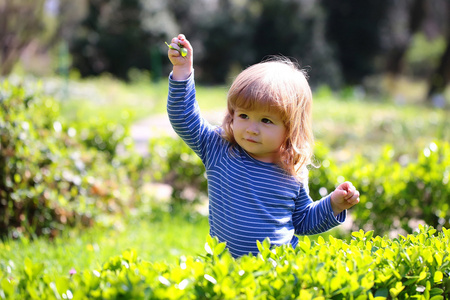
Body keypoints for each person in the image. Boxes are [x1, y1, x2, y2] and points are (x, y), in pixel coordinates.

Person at [166, 34, 360, 258]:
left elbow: (303, 222)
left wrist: (333, 205)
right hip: (226, 270)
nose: (251, 128)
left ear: (291, 128)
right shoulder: (219, 148)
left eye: (266, 120)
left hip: (276, 273)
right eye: (244, 115)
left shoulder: (291, 170)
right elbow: (184, 118)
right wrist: (182, 71)